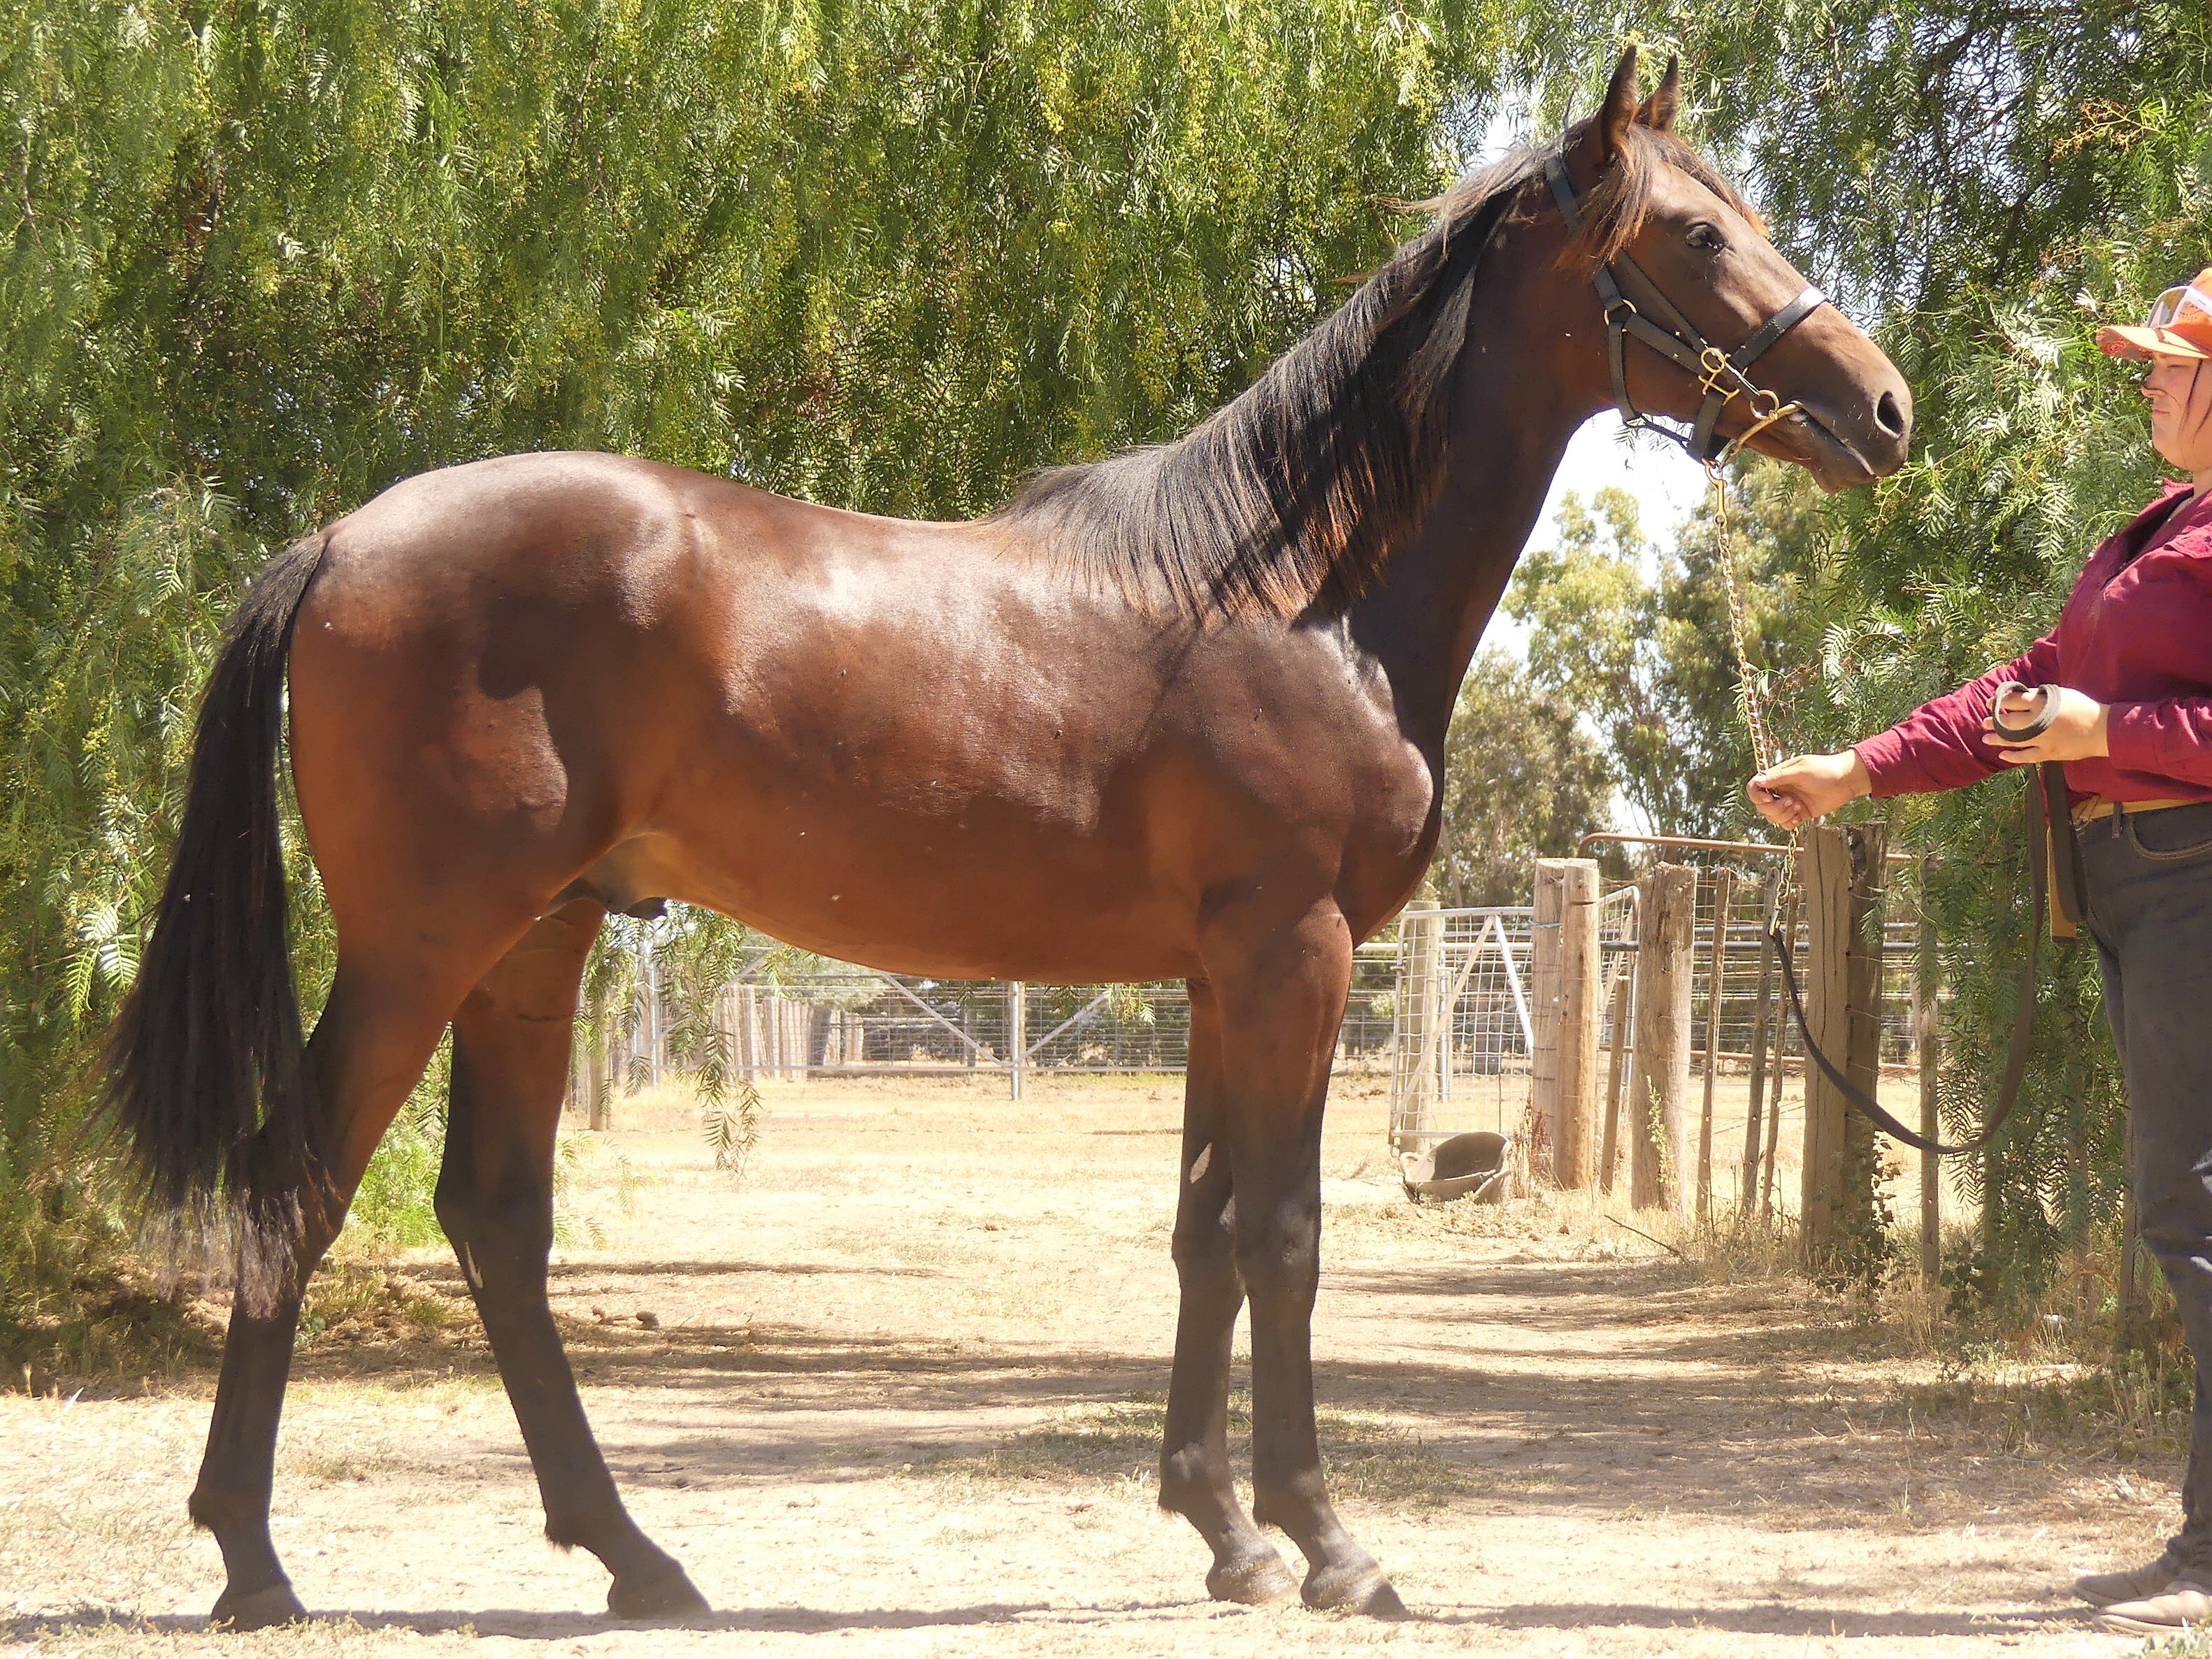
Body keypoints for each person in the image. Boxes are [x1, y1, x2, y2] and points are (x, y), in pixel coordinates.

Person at [1748, 270, 2212, 1638]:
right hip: (2136, 884)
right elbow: (2021, 688)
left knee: (2195, 1213)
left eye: (2168, 361)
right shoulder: (2158, 526)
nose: (2145, 377)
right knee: (2187, 1212)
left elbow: (2095, 713)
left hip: (2193, 882)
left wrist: (2102, 732)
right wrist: (1857, 768)